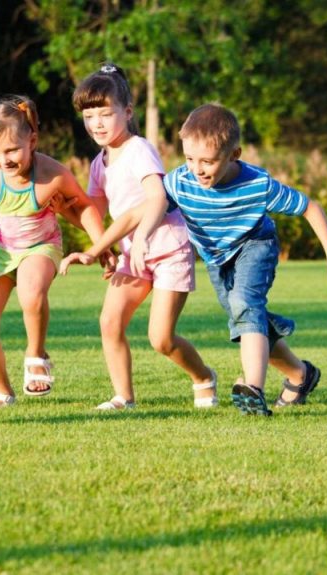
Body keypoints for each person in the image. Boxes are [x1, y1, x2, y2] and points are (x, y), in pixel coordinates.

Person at [64, 103, 327, 416]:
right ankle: (300, 374)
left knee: (245, 304)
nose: (198, 169)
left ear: (234, 154)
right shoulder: (182, 181)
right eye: (189, 159)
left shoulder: (258, 184)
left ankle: (253, 390)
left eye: (208, 161)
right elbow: (139, 211)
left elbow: (310, 207)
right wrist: (97, 250)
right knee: (246, 319)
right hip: (217, 258)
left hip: (255, 245)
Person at [0, 95, 106, 408]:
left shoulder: (52, 174)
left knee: (31, 293)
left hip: (40, 247)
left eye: (12, 149)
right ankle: (2, 390)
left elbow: (84, 209)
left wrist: (101, 246)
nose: (4, 159)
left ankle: (35, 353)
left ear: (33, 141)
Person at [66, 63, 216, 411]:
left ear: (127, 112)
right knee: (109, 321)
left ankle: (203, 377)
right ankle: (124, 397)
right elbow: (95, 213)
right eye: (90, 116)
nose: (97, 123)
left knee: (160, 339)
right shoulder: (98, 163)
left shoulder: (139, 150)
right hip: (132, 253)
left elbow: (157, 197)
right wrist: (94, 246)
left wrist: (143, 237)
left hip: (167, 248)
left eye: (106, 114)